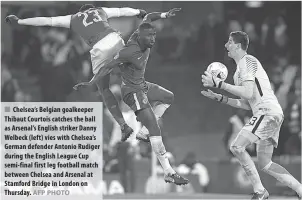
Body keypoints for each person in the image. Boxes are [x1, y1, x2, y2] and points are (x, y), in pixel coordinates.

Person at [74, 8, 189, 186]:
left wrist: (164, 15)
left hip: (142, 85)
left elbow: (150, 16)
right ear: (141, 37)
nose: (153, 39)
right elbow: (107, 67)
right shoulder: (128, 51)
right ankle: (168, 171)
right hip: (131, 91)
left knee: (169, 97)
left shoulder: (140, 34)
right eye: (150, 36)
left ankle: (143, 132)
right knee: (155, 128)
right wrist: (91, 82)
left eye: (154, 35)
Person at [5, 4, 147, 142]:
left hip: (97, 58)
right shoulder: (98, 14)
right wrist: (138, 11)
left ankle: (121, 126)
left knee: (103, 90)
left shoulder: (76, 24)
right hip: (111, 45)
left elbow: (47, 21)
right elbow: (121, 11)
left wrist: (20, 21)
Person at [201, 31, 302, 200]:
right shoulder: (237, 72)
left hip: (267, 112)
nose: (226, 45)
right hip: (270, 113)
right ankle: (300, 189)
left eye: (229, 42)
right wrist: (220, 98)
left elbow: (247, 93)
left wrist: (219, 83)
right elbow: (246, 103)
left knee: (236, 146)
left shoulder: (248, 61)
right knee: (265, 163)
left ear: (238, 46)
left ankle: (260, 191)